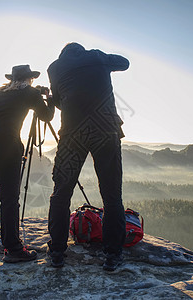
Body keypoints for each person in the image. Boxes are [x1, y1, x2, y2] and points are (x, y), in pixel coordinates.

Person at [46, 42, 129, 271]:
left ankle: (57, 253)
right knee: (112, 195)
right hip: (105, 131)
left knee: (61, 194)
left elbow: (61, 101)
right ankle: (113, 255)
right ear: (81, 51)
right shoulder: (97, 56)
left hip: (73, 134)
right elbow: (125, 63)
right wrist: (102, 62)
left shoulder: (54, 68)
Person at [0, 65, 54, 263]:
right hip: (6, 143)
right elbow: (46, 116)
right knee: (8, 197)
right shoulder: (30, 93)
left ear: (12, 79)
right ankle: (12, 248)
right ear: (30, 79)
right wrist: (47, 97)